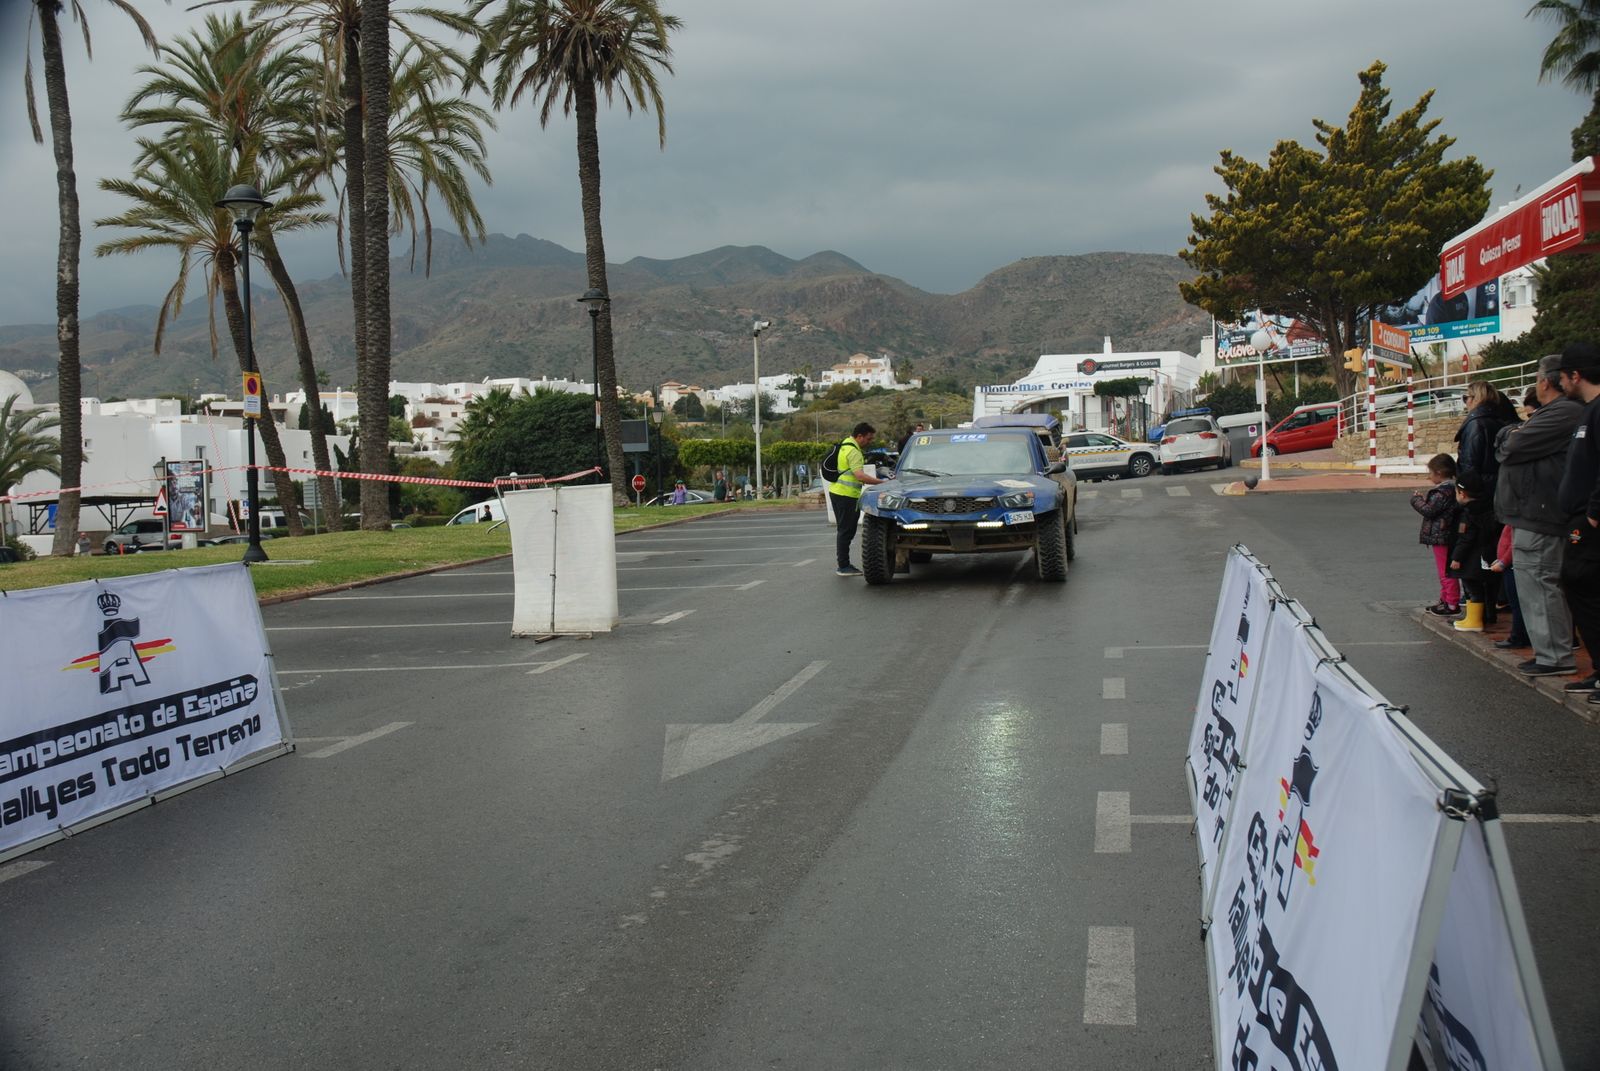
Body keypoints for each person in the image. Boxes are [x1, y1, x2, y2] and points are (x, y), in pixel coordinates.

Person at [1495, 358, 1582, 676]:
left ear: (1546, 381)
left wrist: (1511, 435)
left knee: (1540, 583)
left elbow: (1512, 444)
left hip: (1541, 514)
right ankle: (1550, 654)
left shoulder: (1564, 412)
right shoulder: (1557, 413)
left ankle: (1555, 657)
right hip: (1534, 513)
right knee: (1536, 584)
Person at [1556, 342, 1600, 701]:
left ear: (1576, 375)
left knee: (1582, 584)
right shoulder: (1588, 411)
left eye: (1564, 376)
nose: (1560, 383)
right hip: (1578, 518)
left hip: (1589, 524)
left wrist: (1594, 514)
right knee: (1579, 588)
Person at [828, 421, 888, 576]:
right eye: (868, 439)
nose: (869, 442)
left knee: (843, 530)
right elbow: (860, 476)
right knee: (846, 531)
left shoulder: (844, 444)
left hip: (837, 492)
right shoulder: (854, 451)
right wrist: (882, 482)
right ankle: (844, 566)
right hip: (846, 495)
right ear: (859, 436)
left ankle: (843, 564)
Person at [1448, 471, 1499, 633]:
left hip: (1471, 559)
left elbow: (1465, 538)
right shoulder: (1489, 507)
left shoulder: (1469, 514)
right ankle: (1488, 615)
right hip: (1488, 555)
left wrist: (1456, 558)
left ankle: (1474, 620)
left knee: (1472, 588)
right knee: (1488, 587)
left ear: (1461, 494)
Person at [1410, 453, 1460, 617]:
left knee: (1445, 572)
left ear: (1438, 473)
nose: (1429, 476)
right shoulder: (1452, 489)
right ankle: (1445, 599)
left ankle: (1451, 603)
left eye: (1430, 473)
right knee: (1444, 570)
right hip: (1446, 534)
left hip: (1441, 535)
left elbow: (1429, 511)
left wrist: (1416, 500)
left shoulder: (1442, 492)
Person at [1454, 380, 1510, 500]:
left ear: (1476, 398)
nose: (1465, 402)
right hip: (1497, 488)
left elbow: (1469, 463)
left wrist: (1464, 491)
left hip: (1477, 493)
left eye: (1466, 398)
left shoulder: (1475, 424)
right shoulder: (1499, 421)